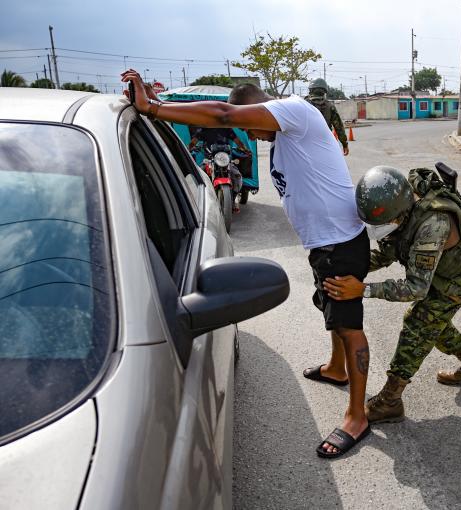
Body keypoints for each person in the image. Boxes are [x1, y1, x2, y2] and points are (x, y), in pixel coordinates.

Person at [120, 70, 371, 459]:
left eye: (251, 126)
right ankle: (337, 368)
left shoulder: (294, 111)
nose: (252, 135)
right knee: (332, 309)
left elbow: (223, 114)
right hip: (325, 242)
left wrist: (154, 108)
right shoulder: (286, 134)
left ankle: (357, 415)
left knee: (350, 325)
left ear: (257, 106)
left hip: (340, 242)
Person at [323, 165, 461, 424]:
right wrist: (347, 267)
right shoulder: (399, 208)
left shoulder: (432, 225)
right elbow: (387, 252)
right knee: (434, 320)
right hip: (443, 264)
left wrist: (363, 289)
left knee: (419, 322)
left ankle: (389, 401)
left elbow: (416, 288)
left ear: (400, 213)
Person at [305, 78, 349, 156]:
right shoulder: (330, 106)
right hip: (325, 143)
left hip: (306, 144)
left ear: (311, 90)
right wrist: (344, 144)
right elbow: (339, 127)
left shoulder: (303, 104)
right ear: (324, 91)